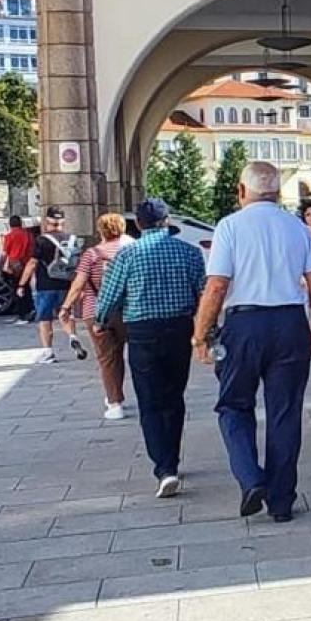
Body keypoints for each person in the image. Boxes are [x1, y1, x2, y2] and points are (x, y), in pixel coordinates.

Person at [192, 162, 311, 523]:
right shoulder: (297, 228)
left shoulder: (231, 227)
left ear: (241, 191)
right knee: (284, 413)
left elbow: (217, 285)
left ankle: (251, 478)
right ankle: (281, 501)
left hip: (245, 323)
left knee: (234, 405)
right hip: (289, 322)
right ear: (276, 192)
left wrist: (201, 333)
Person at [95, 199, 206, 497]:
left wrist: (101, 320)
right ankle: (173, 454)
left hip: (143, 331)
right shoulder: (190, 252)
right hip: (179, 328)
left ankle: (165, 467)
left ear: (139, 224)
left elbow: (110, 295)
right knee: (174, 396)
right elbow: (203, 291)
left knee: (150, 400)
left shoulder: (127, 254)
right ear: (167, 220)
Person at [62, 213, 133, 421]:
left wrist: (66, 306)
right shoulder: (130, 252)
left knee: (107, 358)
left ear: (100, 230)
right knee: (133, 354)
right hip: (127, 311)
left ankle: (114, 402)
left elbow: (79, 284)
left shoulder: (92, 255)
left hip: (95, 312)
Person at [19, 207, 78, 363]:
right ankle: (72, 335)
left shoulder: (41, 240)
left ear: (47, 221)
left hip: (46, 285)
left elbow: (32, 263)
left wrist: (21, 284)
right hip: (66, 284)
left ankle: (48, 352)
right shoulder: (71, 239)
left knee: (45, 319)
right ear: (63, 222)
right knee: (66, 314)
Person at [1, 214, 35, 324]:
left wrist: (1, 266)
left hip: (15, 265)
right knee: (27, 287)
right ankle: (31, 309)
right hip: (27, 263)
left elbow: (4, 253)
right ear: (21, 223)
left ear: (10, 224)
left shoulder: (9, 236)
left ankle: (22, 314)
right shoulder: (29, 235)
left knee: (17, 289)